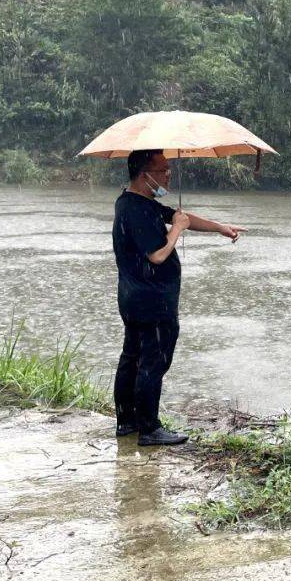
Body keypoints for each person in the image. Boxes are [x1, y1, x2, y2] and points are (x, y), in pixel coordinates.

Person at [112, 149, 247, 446]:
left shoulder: (136, 202)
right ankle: (149, 429)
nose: (168, 175)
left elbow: (181, 216)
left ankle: (127, 422)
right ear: (144, 174)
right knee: (153, 361)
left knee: (132, 357)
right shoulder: (137, 210)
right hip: (152, 299)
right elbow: (158, 255)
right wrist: (176, 232)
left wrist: (219, 228)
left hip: (133, 296)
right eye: (163, 170)